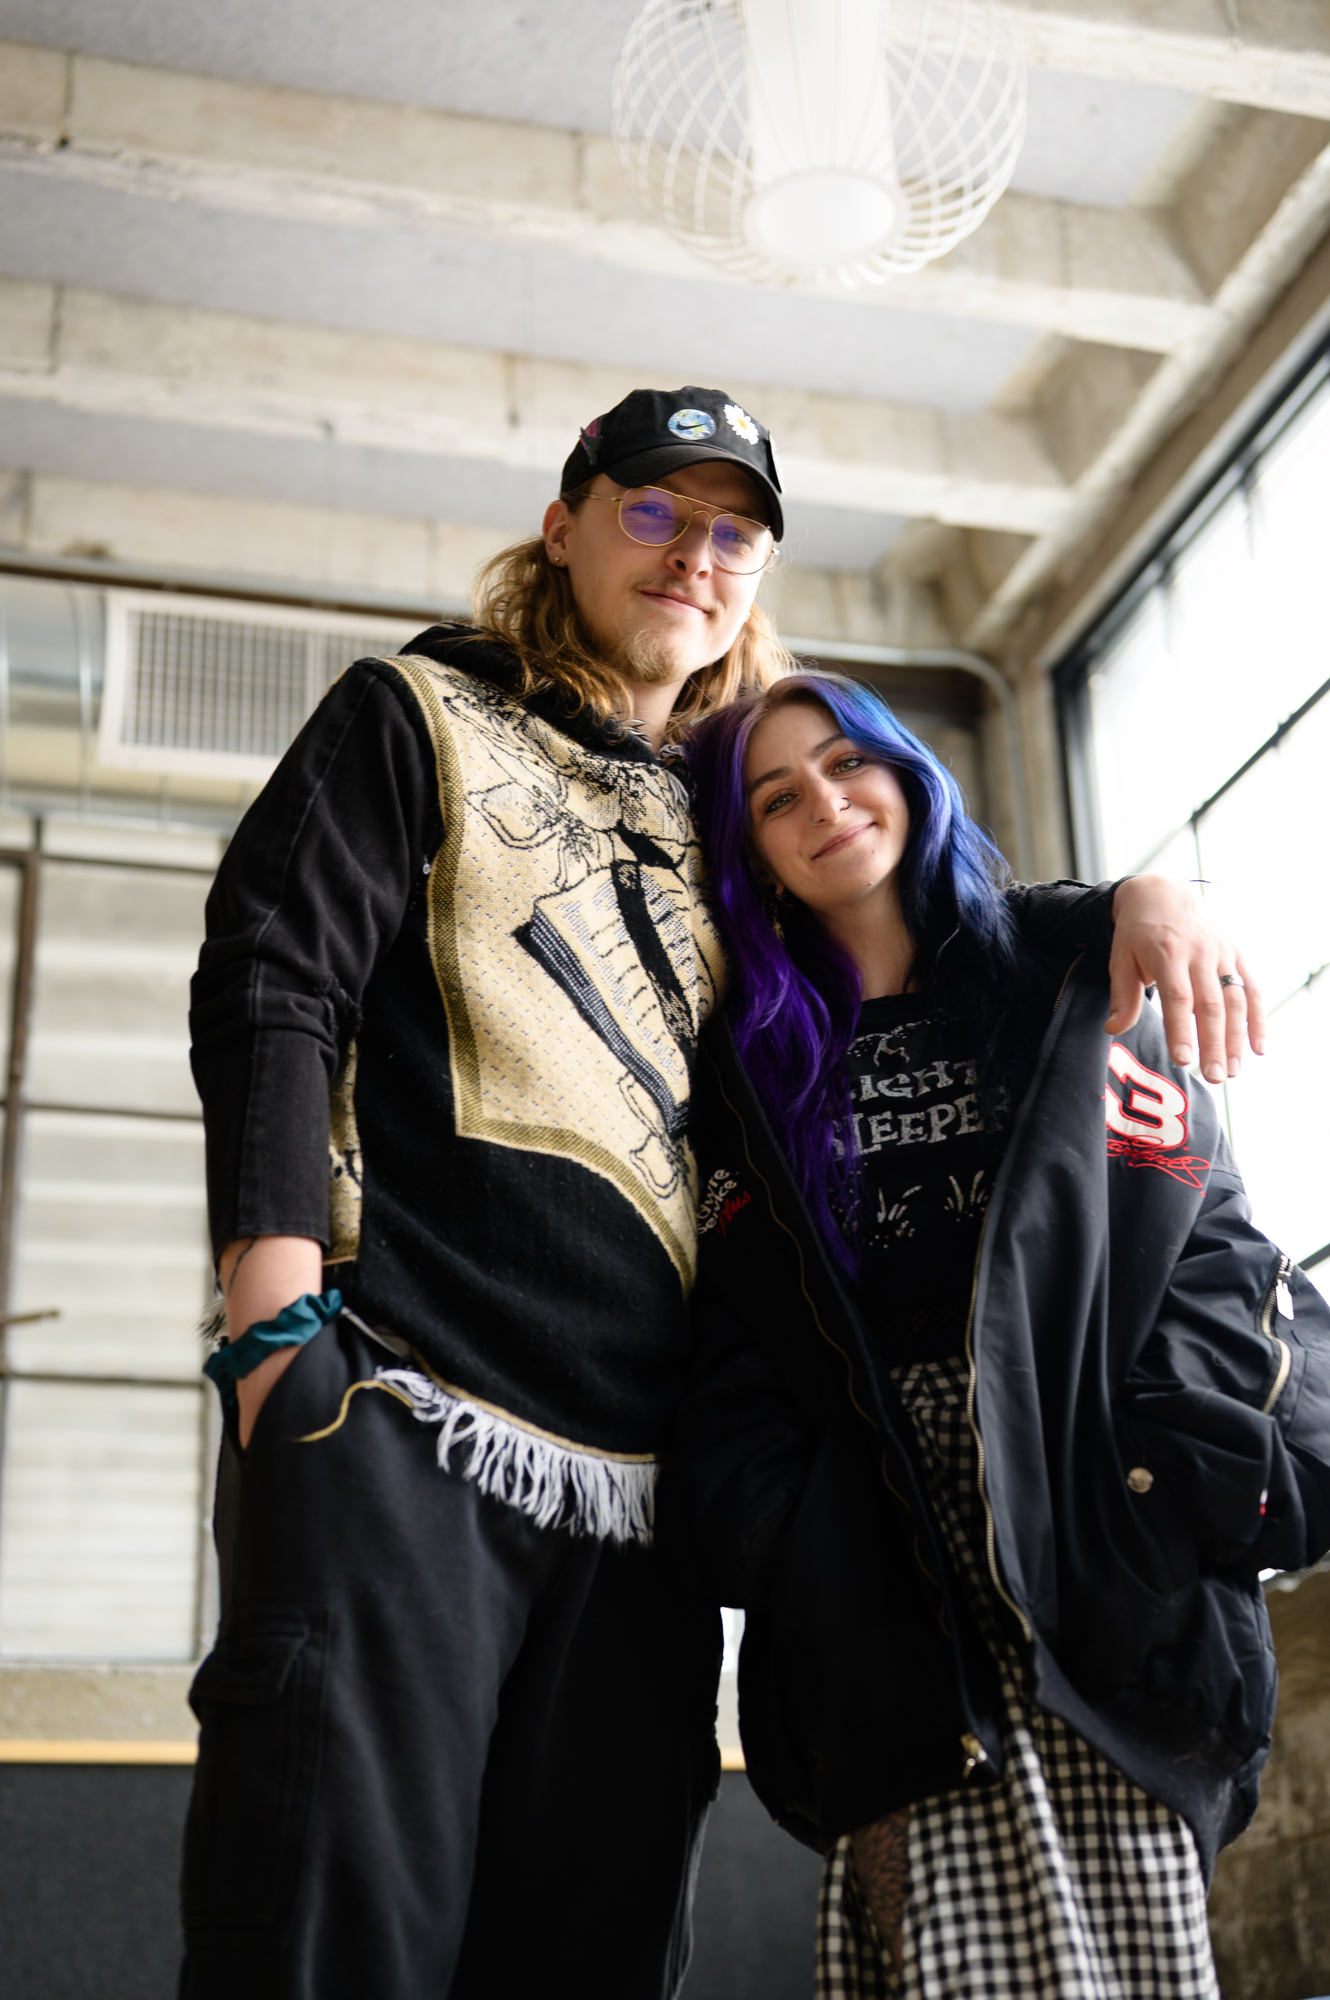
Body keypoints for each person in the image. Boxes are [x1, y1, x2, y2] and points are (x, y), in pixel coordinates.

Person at [183, 383, 1264, 2000]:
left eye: (734, 532)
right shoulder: (409, 712)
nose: (695, 552)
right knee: (338, 1919)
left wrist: (1134, 892)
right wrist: (273, 1321)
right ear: (563, 528)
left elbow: (909, 907)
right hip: (403, 1403)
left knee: (595, 1941)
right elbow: (276, 979)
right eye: (652, 511)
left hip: (643, 1489)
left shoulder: (717, 810)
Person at [661, 669, 1330, 1999]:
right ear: (749, 859)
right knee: (925, 1952)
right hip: (872, 1546)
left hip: (1090, 1526)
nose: (824, 806)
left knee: (1129, 1936)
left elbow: (1211, 1246)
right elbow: (727, 1338)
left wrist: (1152, 1464)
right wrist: (784, 1534)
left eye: (848, 763)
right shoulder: (743, 1067)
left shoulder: (1069, 993)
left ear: (908, 769)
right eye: (774, 799)